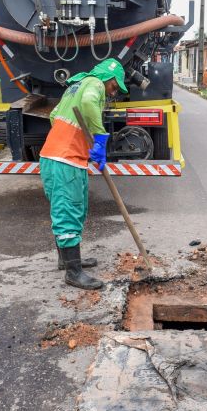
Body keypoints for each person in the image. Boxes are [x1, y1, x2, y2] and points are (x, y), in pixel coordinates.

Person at [39, 58, 128, 291]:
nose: (112, 92)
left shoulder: (74, 87)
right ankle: (73, 272)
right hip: (64, 160)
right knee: (68, 212)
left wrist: (73, 139)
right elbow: (89, 102)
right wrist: (99, 136)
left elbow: (54, 115)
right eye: (114, 87)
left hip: (58, 157)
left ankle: (67, 260)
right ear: (108, 79)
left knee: (71, 210)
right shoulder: (95, 84)